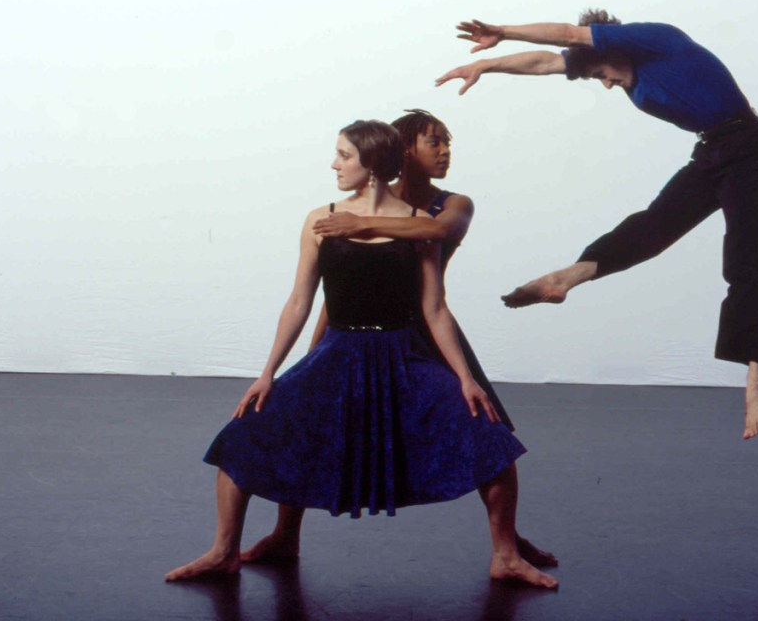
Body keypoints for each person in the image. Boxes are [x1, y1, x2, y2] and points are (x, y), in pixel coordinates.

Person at [165, 120, 557, 589]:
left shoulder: (419, 224)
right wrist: (268, 372)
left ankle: (506, 555)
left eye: (343, 155)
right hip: (340, 349)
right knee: (243, 435)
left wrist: (465, 379)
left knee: (489, 435)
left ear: (370, 165)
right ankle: (225, 552)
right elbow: (300, 302)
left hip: (403, 351)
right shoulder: (319, 219)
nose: (334, 164)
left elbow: (434, 309)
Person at [436, 11, 758, 440]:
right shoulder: (620, 68)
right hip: (713, 151)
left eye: (602, 72)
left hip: (752, 149)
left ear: (609, 44)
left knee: (748, 257)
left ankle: (756, 376)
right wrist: (487, 65)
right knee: (652, 226)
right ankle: (570, 276)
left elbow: (565, 33)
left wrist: (503, 32)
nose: (606, 83)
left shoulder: (657, 40)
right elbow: (546, 62)